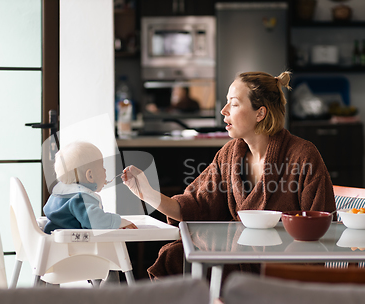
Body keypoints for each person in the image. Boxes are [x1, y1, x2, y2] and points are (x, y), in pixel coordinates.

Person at [122, 71, 336, 280]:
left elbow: (321, 228)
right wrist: (147, 193)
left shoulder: (303, 156)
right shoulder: (229, 154)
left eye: (233, 104)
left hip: (284, 270)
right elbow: (194, 205)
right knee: (174, 256)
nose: (224, 111)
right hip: (238, 261)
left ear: (260, 113)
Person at [43, 141, 137, 234]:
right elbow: (96, 221)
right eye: (102, 167)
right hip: (72, 245)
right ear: (90, 176)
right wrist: (119, 222)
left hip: (55, 241)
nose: (105, 170)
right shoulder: (80, 198)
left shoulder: (59, 194)